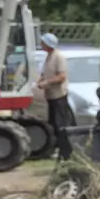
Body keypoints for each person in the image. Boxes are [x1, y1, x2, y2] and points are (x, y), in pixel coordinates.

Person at [35, 33, 75, 161]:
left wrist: (47, 82)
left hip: (59, 96)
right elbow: (44, 73)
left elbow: (61, 76)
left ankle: (66, 151)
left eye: (43, 43)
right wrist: (40, 80)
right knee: (52, 123)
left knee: (60, 124)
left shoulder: (58, 57)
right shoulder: (48, 57)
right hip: (50, 96)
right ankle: (57, 149)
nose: (41, 45)